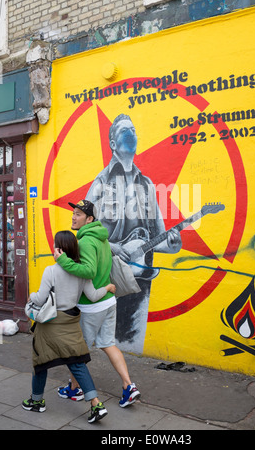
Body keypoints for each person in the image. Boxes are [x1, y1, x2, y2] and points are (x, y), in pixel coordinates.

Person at [86, 114, 182, 353]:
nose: (131, 133)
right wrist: (109, 246)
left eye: (134, 129)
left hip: (140, 280)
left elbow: (157, 238)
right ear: (113, 144)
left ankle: (125, 380)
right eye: (124, 130)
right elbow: (82, 229)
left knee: (132, 345)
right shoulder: (101, 182)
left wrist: (172, 245)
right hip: (107, 276)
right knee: (103, 340)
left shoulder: (147, 185)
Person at [22, 230, 116, 424]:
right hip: (71, 323)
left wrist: (32, 295)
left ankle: (36, 401)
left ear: (59, 248)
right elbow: (93, 296)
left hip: (50, 325)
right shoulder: (81, 272)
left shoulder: (51, 270)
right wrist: (107, 288)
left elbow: (40, 298)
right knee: (77, 363)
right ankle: (96, 404)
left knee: (41, 362)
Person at [54, 199, 141, 408]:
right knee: (108, 344)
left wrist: (62, 260)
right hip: (108, 300)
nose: (73, 217)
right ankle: (129, 386)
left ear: (89, 219)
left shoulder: (85, 242)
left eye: (78, 214)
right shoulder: (102, 238)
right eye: (73, 213)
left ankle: (76, 389)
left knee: (78, 351)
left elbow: (89, 271)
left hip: (92, 305)